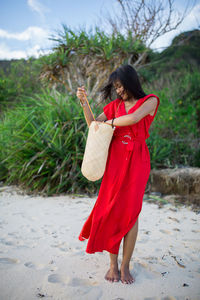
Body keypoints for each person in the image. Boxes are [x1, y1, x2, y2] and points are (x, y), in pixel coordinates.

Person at [76, 64, 160, 284]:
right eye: (116, 87)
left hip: (137, 161)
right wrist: (85, 103)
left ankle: (125, 266)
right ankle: (112, 265)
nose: (119, 90)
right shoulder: (114, 105)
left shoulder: (150, 100)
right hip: (115, 160)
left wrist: (110, 123)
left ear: (131, 81)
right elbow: (94, 125)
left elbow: (133, 119)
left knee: (131, 213)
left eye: (121, 85)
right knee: (111, 208)